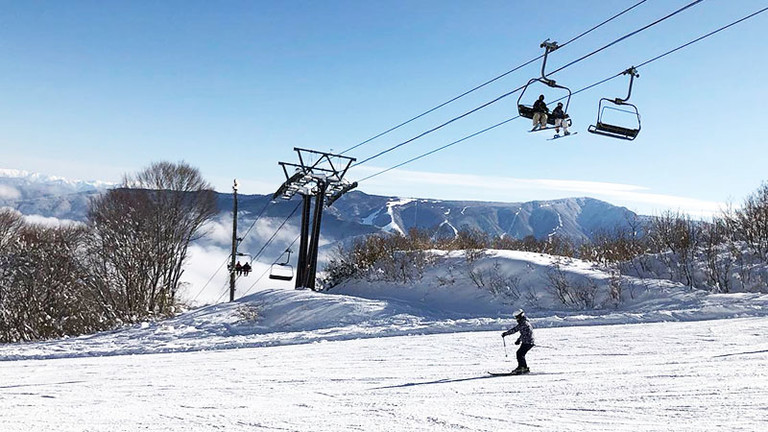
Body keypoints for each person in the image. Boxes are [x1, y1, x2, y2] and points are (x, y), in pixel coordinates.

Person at [501, 309, 535, 374]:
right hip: (528, 341)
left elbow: (515, 330)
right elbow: (523, 333)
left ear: (520, 316)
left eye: (517, 317)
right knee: (520, 353)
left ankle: (522, 368)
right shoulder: (524, 322)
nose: (516, 319)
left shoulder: (523, 323)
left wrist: (506, 333)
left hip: (528, 341)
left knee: (520, 354)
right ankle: (523, 367)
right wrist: (519, 340)